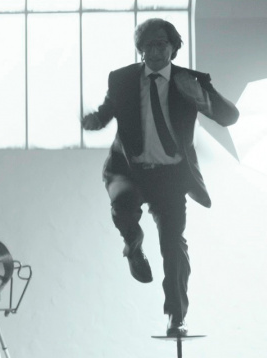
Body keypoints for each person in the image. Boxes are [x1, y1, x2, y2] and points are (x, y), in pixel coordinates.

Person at [81, 18, 239, 337]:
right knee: (123, 209)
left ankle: (176, 317)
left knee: (173, 244)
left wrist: (200, 96)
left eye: (161, 44)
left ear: (173, 48)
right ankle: (133, 246)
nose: (154, 52)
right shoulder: (122, 79)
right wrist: (94, 120)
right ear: (140, 49)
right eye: (148, 45)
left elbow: (229, 117)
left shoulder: (189, 80)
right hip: (129, 169)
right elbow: (107, 111)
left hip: (170, 177)